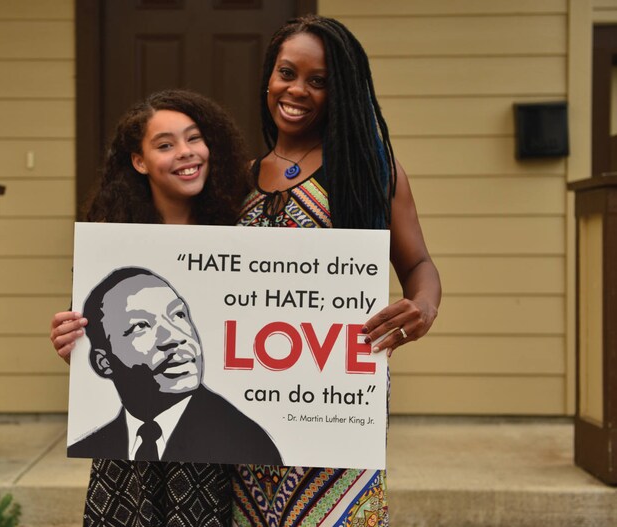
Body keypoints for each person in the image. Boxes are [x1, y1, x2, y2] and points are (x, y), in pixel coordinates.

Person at [232, 15, 441, 527]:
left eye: (318, 80)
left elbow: (417, 264)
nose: (296, 90)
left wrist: (423, 306)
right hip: (250, 407)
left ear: (340, 90)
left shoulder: (370, 169)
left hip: (335, 399)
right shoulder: (238, 178)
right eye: (286, 72)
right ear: (268, 78)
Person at [50, 90, 252, 526]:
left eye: (194, 139)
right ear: (139, 161)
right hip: (129, 465)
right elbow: (92, 348)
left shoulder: (241, 236)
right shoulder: (112, 243)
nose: (186, 153)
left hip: (214, 459)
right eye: (165, 145)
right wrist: (71, 342)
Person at [68, 266, 281, 465]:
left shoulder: (246, 441)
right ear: (103, 362)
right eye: (141, 326)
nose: (175, 336)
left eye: (178, 315)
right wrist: (69, 343)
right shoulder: (94, 445)